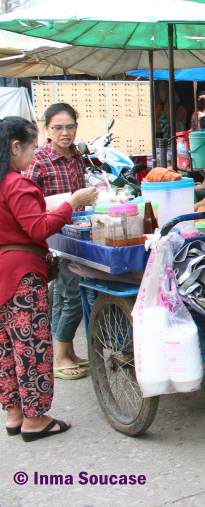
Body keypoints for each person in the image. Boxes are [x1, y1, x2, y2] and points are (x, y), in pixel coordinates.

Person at [1, 116, 98, 441]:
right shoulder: (16, 183)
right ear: (16, 147)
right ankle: (36, 420)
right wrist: (71, 203)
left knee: (7, 348)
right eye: (30, 147)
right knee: (31, 347)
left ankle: (15, 415)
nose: (32, 154)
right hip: (21, 274)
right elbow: (39, 228)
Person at [23, 103, 90, 381]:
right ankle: (61, 355)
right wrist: (64, 203)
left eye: (70, 127)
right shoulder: (38, 159)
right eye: (58, 128)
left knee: (66, 293)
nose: (65, 133)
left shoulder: (77, 156)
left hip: (76, 232)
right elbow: (26, 202)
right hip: (53, 235)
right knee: (72, 292)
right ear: (46, 129)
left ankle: (67, 352)